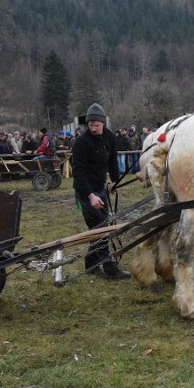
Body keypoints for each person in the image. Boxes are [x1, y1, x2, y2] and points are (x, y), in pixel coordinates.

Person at [71, 103, 130, 280]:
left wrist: (114, 180)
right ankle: (110, 268)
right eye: (90, 125)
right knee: (102, 229)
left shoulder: (110, 137)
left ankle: (91, 264)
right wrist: (90, 196)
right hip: (85, 191)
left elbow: (112, 161)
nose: (93, 127)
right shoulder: (81, 142)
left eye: (97, 124)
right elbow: (78, 172)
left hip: (100, 187)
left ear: (103, 123)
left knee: (99, 227)